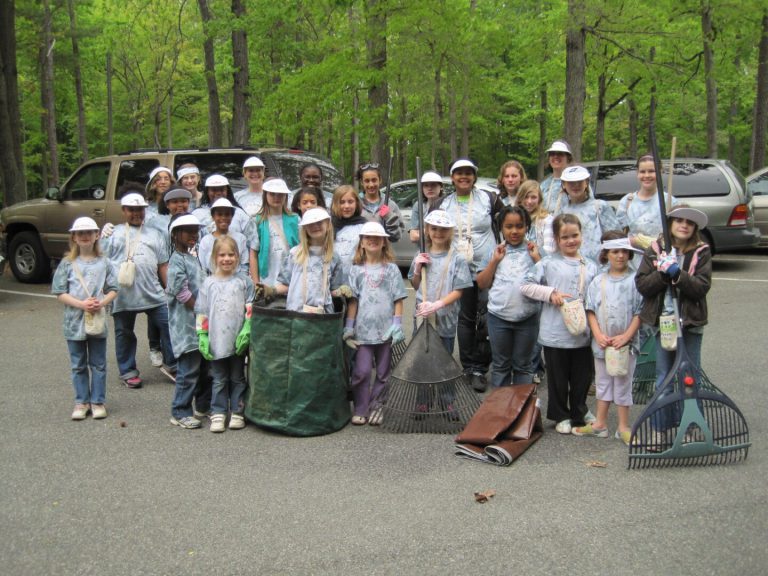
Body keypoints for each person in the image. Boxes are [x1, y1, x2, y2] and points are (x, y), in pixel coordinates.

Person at [430, 158, 503, 393]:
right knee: (464, 317)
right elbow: (430, 231)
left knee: (485, 317)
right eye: (459, 173)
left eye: (468, 173)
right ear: (451, 177)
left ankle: (479, 369)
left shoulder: (489, 199)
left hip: (485, 266)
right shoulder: (442, 203)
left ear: (475, 176)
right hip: (455, 268)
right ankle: (467, 365)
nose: (464, 177)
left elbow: (509, 224)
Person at [521, 213, 599, 434]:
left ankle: (579, 410)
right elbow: (525, 286)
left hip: (582, 332)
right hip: (555, 332)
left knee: (582, 377)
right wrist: (550, 293)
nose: (570, 240)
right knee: (558, 378)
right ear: (556, 238)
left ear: (581, 235)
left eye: (574, 235)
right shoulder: (547, 263)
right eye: (565, 237)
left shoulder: (590, 266)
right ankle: (559, 414)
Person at [572, 232, 643, 445]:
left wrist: (627, 336)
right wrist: (598, 334)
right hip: (602, 342)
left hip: (625, 343)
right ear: (606, 254)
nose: (620, 256)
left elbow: (641, 311)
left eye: (624, 251)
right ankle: (600, 424)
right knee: (603, 382)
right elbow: (591, 309)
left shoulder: (635, 280)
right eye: (615, 251)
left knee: (622, 382)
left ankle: (623, 426)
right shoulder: (598, 281)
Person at [101, 193, 175, 388]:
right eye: (132, 210)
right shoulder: (113, 234)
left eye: (140, 209)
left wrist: (169, 289)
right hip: (122, 294)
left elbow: (163, 265)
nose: (136, 213)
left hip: (152, 291)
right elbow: (101, 263)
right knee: (124, 332)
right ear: (124, 211)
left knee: (168, 323)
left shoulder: (155, 234)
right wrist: (103, 291)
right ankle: (128, 371)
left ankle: (173, 363)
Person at [635, 207, 711, 390]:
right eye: (679, 220)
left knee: (690, 376)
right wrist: (662, 275)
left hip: (690, 322)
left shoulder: (701, 252)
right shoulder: (655, 250)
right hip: (664, 322)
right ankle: (663, 418)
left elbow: (701, 287)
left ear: (695, 228)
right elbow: (643, 285)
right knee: (664, 376)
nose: (684, 225)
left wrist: (678, 274)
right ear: (670, 223)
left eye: (690, 223)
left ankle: (690, 418)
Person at [51, 217, 119, 420]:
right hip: (73, 321)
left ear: (97, 235)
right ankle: (81, 401)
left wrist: (102, 302)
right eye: (80, 233)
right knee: (78, 363)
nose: (85, 236)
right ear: (74, 237)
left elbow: (114, 288)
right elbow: (59, 291)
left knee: (98, 363)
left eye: (89, 232)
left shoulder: (104, 262)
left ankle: (98, 401)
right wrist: (81, 304)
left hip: (96, 319)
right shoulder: (67, 263)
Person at [343, 222, 407, 426]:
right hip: (363, 332)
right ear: (361, 242)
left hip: (385, 331)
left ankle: (377, 406)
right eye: (368, 237)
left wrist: (397, 324)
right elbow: (353, 301)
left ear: (384, 243)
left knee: (383, 372)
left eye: (377, 238)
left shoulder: (392, 270)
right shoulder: (355, 271)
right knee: (361, 371)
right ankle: (361, 407)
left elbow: (398, 298)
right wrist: (349, 327)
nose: (372, 240)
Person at [476, 205, 542, 388]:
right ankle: (501, 414)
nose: (514, 231)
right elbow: (482, 283)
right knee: (501, 366)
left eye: (519, 226)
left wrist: (537, 259)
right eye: (509, 226)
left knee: (523, 366)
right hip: (498, 318)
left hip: (527, 318)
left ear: (527, 227)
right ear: (501, 228)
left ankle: (521, 412)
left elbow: (547, 282)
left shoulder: (534, 251)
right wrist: (494, 261)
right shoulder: (493, 251)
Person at [195, 236, 256, 433]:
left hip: (237, 338)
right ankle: (218, 412)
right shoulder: (208, 283)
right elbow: (202, 311)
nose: (227, 259)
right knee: (219, 377)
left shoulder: (243, 282)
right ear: (214, 257)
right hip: (216, 340)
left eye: (231, 254)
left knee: (237, 377)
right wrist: (202, 335)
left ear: (238, 257)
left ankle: (238, 411)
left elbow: (250, 307)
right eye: (222, 255)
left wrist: (247, 329)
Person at [166, 213, 210, 430]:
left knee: (204, 368)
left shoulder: (193, 257)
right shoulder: (176, 260)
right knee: (189, 369)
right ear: (176, 235)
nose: (193, 235)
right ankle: (180, 410)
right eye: (188, 231)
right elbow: (180, 292)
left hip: (199, 323)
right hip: (186, 324)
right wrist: (201, 311)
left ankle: (202, 406)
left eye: (196, 230)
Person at [408, 210, 472, 354]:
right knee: (420, 356)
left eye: (444, 229)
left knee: (442, 358)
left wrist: (438, 304)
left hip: (445, 318)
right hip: (423, 314)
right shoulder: (421, 255)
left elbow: (458, 291)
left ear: (450, 231)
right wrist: (417, 270)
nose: (438, 232)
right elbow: (416, 285)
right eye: (434, 228)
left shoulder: (458, 259)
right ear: (427, 230)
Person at [274, 208, 345, 313]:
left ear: (328, 225)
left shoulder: (334, 257)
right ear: (305, 228)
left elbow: (333, 289)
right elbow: (285, 285)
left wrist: (341, 291)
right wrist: (270, 291)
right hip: (296, 315)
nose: (315, 226)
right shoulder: (294, 254)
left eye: (319, 222)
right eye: (310, 224)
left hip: (323, 317)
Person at [553, 165, 619, 264]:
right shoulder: (561, 211)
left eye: (579, 182)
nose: (576, 186)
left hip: (600, 268)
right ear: (564, 184)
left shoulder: (600, 206)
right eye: (571, 183)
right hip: (571, 267)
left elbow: (615, 239)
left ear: (586, 183)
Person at [617, 154, 679, 251]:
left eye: (651, 171)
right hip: (632, 263)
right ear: (637, 173)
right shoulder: (627, 201)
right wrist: (636, 241)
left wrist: (657, 243)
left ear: (660, 171)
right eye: (642, 171)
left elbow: (677, 236)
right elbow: (618, 237)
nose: (646, 175)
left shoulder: (670, 201)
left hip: (660, 261)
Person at [248, 178, 299, 287]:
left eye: (280, 194)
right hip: (267, 280)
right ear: (265, 195)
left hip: (292, 279)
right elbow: (253, 253)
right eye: (272, 194)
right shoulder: (257, 221)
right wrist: (256, 283)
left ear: (285, 196)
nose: (277, 197)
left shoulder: (295, 219)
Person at [198, 198, 249, 277]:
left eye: (227, 214)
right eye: (219, 214)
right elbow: (202, 268)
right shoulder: (206, 241)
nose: (223, 217)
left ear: (232, 216)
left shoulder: (240, 239)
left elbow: (244, 266)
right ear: (213, 216)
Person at [193, 174, 252, 238]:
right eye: (214, 190)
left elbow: (252, 241)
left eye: (222, 189)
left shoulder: (240, 213)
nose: (218, 193)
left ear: (227, 191)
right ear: (207, 192)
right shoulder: (197, 214)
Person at [357, 163, 404, 241]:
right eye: (367, 181)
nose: (371, 184)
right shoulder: (355, 205)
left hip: (383, 251)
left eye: (374, 180)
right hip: (361, 252)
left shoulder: (391, 205)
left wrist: (389, 216)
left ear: (380, 180)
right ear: (362, 182)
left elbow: (396, 237)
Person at [331, 185, 368, 276]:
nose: (346, 206)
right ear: (335, 204)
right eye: (342, 202)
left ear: (356, 203)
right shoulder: (328, 226)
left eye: (350, 202)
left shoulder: (364, 227)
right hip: (333, 278)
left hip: (357, 276)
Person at [517, 180, 555, 257]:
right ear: (520, 199)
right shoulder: (515, 219)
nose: (529, 201)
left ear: (539, 199)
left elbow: (549, 250)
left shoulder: (547, 220)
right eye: (526, 197)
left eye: (533, 197)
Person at [409, 171, 444, 243]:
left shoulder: (448, 204)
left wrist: (422, 231)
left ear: (441, 187)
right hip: (424, 250)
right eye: (426, 185)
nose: (430, 188)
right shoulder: (418, 205)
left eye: (433, 185)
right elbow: (413, 236)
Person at [540, 140, 572, 213]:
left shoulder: (577, 182)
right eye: (552, 154)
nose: (555, 156)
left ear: (568, 158)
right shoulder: (543, 185)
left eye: (560, 154)